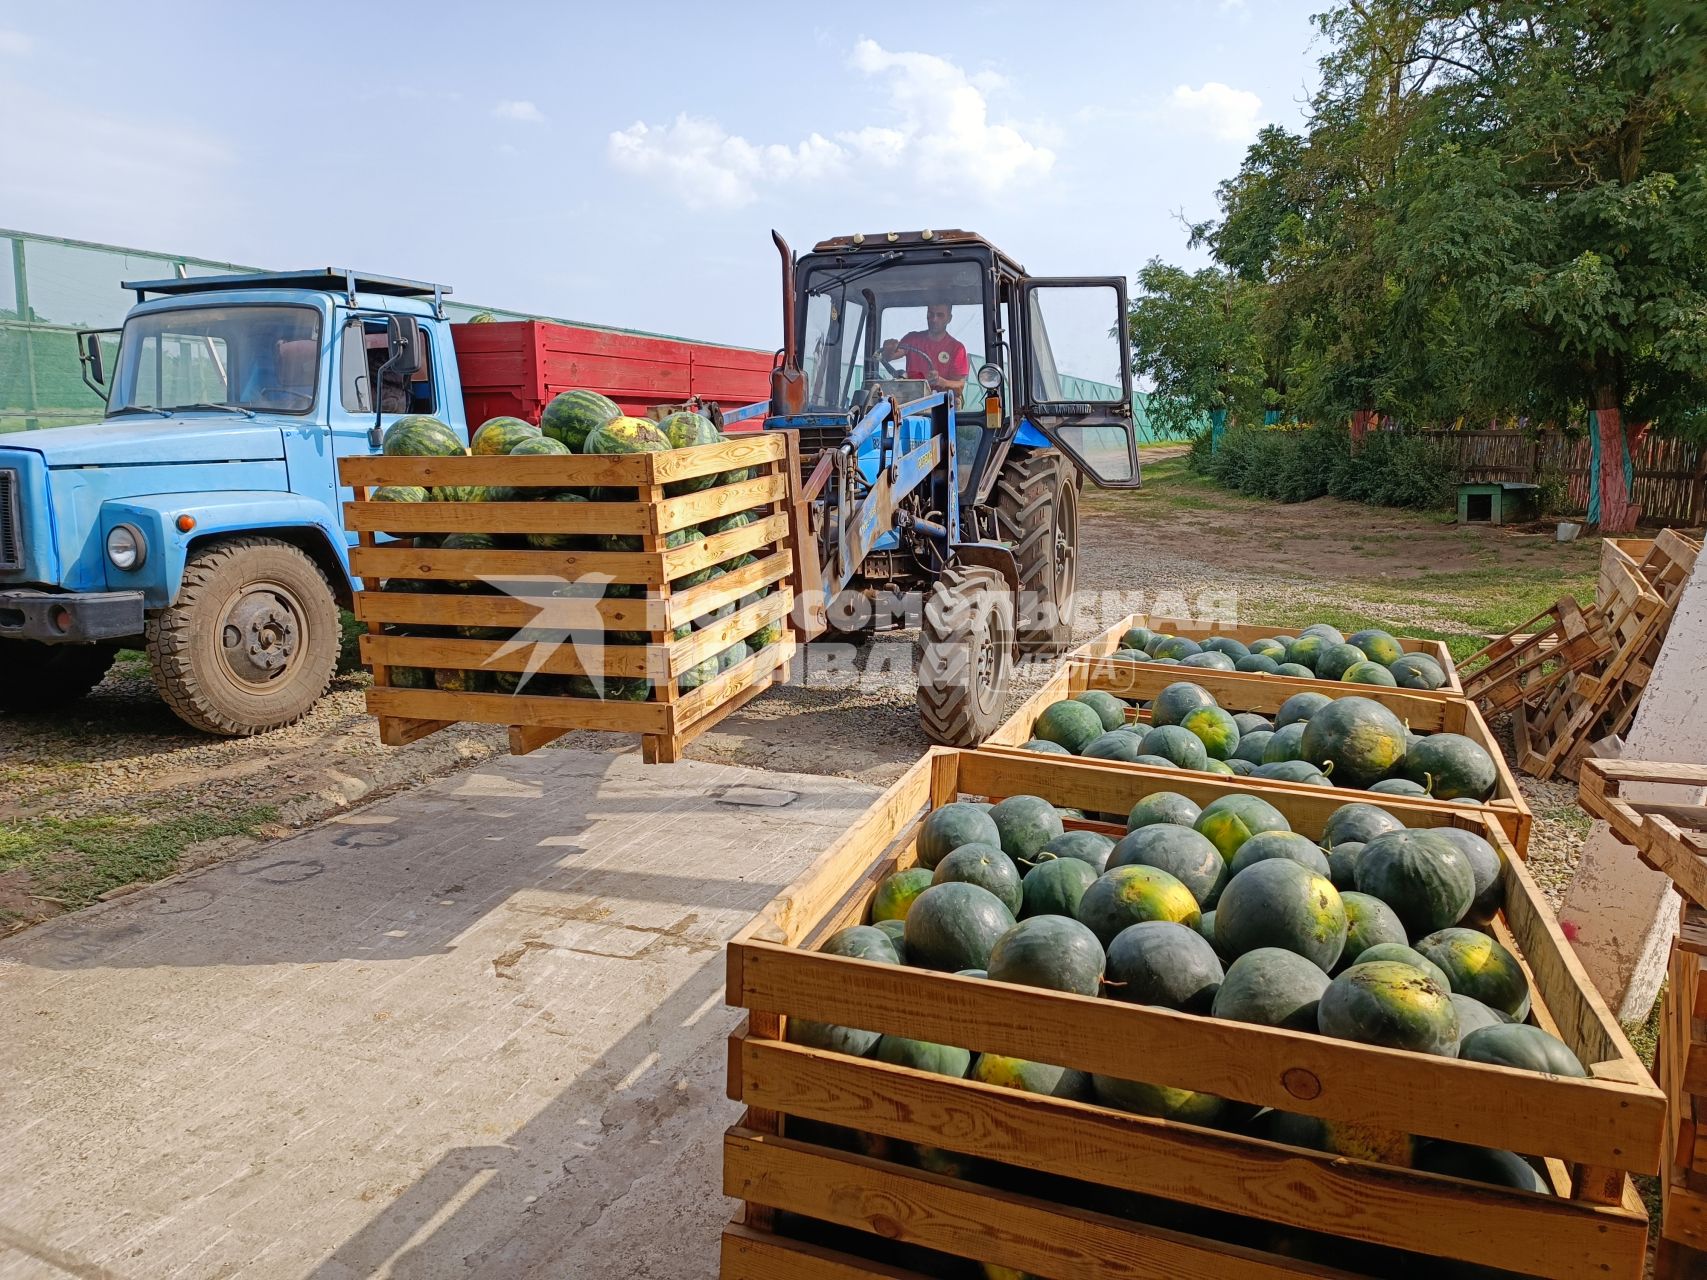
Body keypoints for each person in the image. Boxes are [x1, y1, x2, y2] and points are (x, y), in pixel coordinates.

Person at [881, 303, 968, 399]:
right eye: (930, 314)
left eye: (940, 315)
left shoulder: (956, 348)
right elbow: (890, 356)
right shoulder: (912, 339)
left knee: (956, 402)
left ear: (949, 318)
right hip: (911, 401)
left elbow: (960, 386)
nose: (934, 319)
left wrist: (940, 381)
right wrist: (889, 348)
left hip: (942, 406)